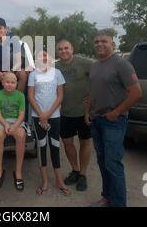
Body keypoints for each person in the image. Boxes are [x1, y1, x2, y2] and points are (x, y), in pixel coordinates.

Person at [86, 30, 142, 207]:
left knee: (113, 163)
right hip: (96, 119)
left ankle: (118, 203)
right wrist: (88, 111)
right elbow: (92, 92)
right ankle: (107, 197)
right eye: (96, 42)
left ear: (113, 44)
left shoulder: (121, 64)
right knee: (103, 161)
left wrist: (117, 112)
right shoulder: (94, 65)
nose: (100, 44)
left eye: (104, 41)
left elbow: (136, 93)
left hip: (114, 122)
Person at [28, 50, 71, 196]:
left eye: (45, 55)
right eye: (40, 56)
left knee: (55, 146)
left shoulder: (57, 73)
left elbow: (60, 96)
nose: (43, 58)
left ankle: (59, 180)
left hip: (54, 115)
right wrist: (41, 115)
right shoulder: (33, 74)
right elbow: (31, 96)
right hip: (38, 116)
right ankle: (45, 181)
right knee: (41, 148)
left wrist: (48, 114)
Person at [56, 40, 93, 191]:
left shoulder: (86, 63)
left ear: (72, 49)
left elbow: (100, 79)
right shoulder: (55, 67)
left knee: (85, 142)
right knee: (67, 143)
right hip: (64, 112)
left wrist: (92, 99)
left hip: (84, 112)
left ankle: (83, 174)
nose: (63, 51)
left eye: (66, 48)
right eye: (60, 49)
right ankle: (75, 170)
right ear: (57, 52)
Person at [0, 72, 26, 191]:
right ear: (2, 82)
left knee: (21, 135)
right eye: (7, 82)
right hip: (2, 121)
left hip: (17, 121)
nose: (9, 85)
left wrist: (15, 126)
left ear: (16, 84)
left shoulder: (20, 95)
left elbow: (22, 115)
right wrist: (6, 125)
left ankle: (18, 172)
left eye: (13, 82)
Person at [0, 18, 28, 93]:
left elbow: (19, 62)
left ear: (5, 29)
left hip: (12, 70)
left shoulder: (14, 40)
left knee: (23, 74)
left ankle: (18, 98)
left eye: (0, 28)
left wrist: (10, 72)